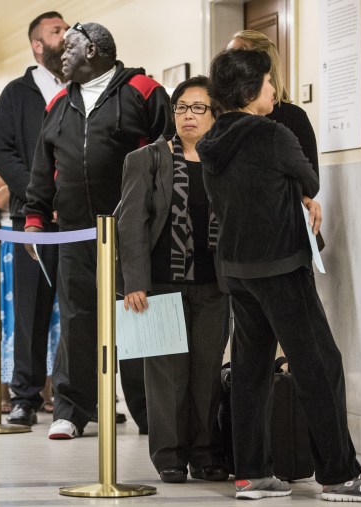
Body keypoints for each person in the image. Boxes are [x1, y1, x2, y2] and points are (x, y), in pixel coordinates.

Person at [197, 49, 361, 503]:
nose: (273, 90)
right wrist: (298, 193)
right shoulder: (273, 135)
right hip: (282, 266)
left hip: (237, 270)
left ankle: (252, 474)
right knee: (320, 364)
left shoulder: (211, 143)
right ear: (251, 91)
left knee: (250, 371)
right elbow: (309, 180)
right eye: (268, 83)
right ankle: (339, 476)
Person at [23, 21, 171, 439]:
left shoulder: (142, 90)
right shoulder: (58, 104)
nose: (60, 55)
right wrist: (34, 219)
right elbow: (42, 169)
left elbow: (169, 151)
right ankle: (71, 412)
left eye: (68, 47)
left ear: (92, 51)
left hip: (134, 234)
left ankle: (150, 413)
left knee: (139, 318)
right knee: (77, 320)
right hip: (76, 235)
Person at [118, 76, 228, 483]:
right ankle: (169, 456)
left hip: (214, 283)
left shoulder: (224, 161)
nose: (188, 115)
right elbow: (130, 224)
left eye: (199, 108)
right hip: (161, 284)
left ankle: (205, 454)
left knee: (206, 373)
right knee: (166, 375)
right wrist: (134, 281)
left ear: (216, 115)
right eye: (182, 107)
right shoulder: (148, 159)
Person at [0, 11, 68, 426]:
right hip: (30, 220)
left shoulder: (83, 89)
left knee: (79, 309)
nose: (67, 35)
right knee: (32, 311)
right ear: (38, 45)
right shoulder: (16, 94)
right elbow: (1, 153)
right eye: (57, 32)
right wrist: (39, 197)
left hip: (78, 221)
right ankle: (25, 396)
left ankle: (77, 399)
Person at [227, 30, 318, 177]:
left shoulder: (294, 117)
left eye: (235, 55)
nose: (227, 63)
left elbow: (311, 181)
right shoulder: (223, 116)